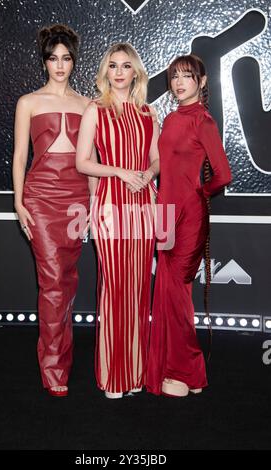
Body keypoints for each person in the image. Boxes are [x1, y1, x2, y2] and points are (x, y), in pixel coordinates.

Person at [12, 24, 96, 397]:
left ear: (73, 61)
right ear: (44, 61)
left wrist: (93, 204)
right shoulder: (28, 102)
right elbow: (19, 157)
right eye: (52, 59)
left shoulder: (87, 105)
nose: (59, 66)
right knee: (51, 284)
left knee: (69, 282)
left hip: (77, 198)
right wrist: (18, 202)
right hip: (41, 199)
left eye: (65, 59)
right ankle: (52, 367)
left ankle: (63, 357)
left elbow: (91, 158)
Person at [76, 43, 159, 398]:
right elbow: (83, 162)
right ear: (105, 72)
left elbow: (157, 160)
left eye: (127, 66)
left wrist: (147, 173)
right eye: (113, 66)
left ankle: (136, 373)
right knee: (114, 287)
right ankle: (113, 376)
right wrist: (122, 172)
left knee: (139, 289)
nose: (120, 72)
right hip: (110, 203)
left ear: (136, 72)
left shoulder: (149, 112)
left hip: (144, 204)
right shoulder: (95, 110)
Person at [147, 54, 232, 397]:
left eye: (186, 76)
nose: (179, 83)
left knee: (178, 293)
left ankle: (184, 370)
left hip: (189, 217)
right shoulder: (169, 119)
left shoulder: (203, 121)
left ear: (201, 82)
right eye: (174, 77)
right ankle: (190, 373)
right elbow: (162, 165)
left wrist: (199, 193)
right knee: (166, 294)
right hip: (165, 213)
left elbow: (223, 174)